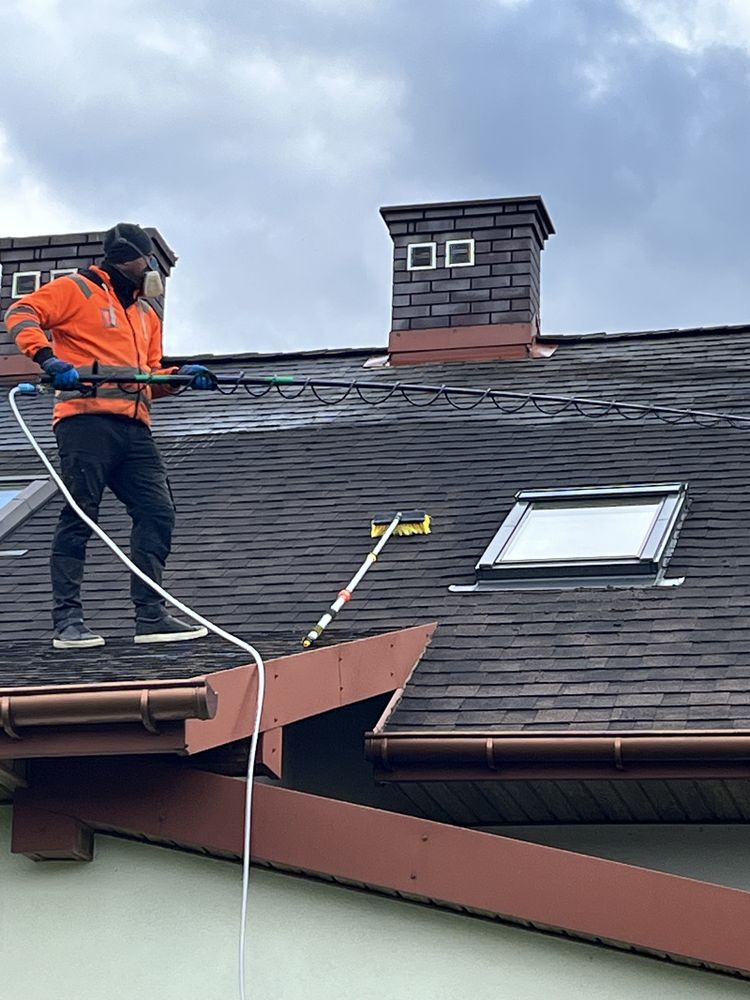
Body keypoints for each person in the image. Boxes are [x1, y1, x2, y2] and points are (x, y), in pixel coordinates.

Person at [5, 223, 215, 650]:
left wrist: (178, 378)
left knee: (157, 512)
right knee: (81, 514)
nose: (151, 267)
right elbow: (20, 313)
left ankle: (151, 616)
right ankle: (68, 621)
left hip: (135, 427)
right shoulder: (75, 290)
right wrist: (48, 359)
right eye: (147, 260)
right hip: (85, 420)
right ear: (128, 258)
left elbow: (147, 377)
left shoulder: (145, 314)